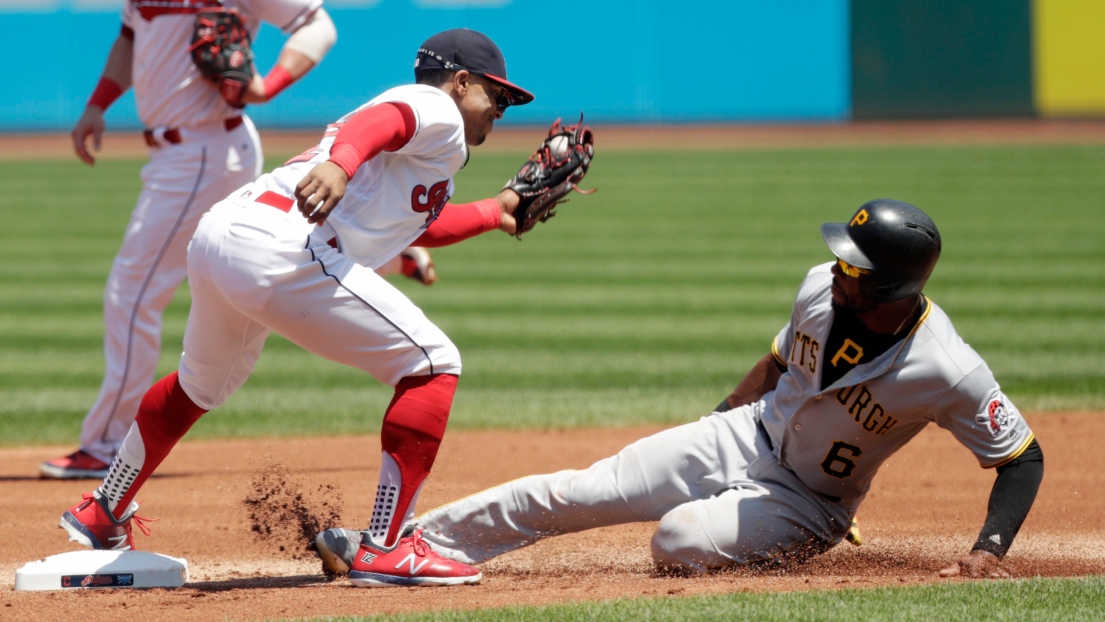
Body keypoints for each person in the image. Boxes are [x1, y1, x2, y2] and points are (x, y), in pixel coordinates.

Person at [316, 199, 1044, 580]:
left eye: (851, 265)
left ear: (889, 282)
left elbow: (1021, 456)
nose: (833, 269)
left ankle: (762, 536)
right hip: (745, 434)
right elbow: (774, 361)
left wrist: (989, 548)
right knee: (577, 490)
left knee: (678, 539)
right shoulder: (817, 293)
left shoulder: (945, 368)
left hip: (809, 502)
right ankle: (402, 548)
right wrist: (713, 427)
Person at [58, 27, 538, 589]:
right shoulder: (435, 108)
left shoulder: (426, 152)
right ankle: (386, 546)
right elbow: (378, 126)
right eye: (496, 96)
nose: (500, 111)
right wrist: (341, 162)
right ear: (460, 82)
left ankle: (105, 508)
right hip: (281, 247)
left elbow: (426, 221)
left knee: (197, 385)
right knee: (433, 364)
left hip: (224, 236)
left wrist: (501, 211)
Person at [40, 1, 435, 480]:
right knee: (270, 248)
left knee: (133, 292)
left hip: (204, 150)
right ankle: (395, 256)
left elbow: (318, 25)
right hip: (181, 152)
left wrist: (269, 86)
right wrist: (97, 104)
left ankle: (106, 443)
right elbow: (129, 37)